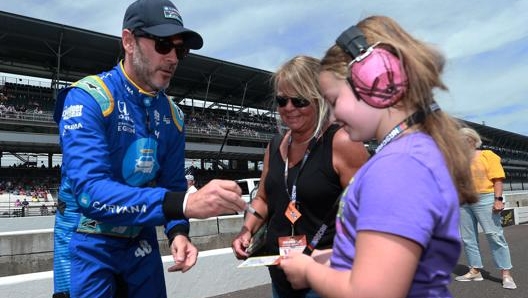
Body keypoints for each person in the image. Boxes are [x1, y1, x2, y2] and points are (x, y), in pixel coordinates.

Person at [52, 0, 246, 297]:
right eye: (163, 45)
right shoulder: (88, 98)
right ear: (129, 41)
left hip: (140, 241)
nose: (173, 58)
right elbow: (91, 192)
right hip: (84, 243)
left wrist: (178, 231)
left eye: (180, 50)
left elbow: (172, 184)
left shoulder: (174, 115)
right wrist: (183, 205)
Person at [279, 15, 478, 297]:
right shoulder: (409, 156)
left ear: (376, 80)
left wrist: (308, 271)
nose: (333, 115)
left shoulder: (399, 167)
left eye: (334, 101)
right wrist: (336, 257)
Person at [232, 55, 370, 298]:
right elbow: (263, 199)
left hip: (326, 276)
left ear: (320, 99)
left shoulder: (342, 142)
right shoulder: (274, 146)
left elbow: (370, 213)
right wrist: (247, 229)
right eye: (282, 100)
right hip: (279, 272)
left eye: (299, 100)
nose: (289, 108)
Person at [455, 127, 517, 289]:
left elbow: (497, 180)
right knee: (468, 238)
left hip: (485, 198)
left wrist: (498, 199)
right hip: (464, 200)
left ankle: (506, 274)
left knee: (495, 235)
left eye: (466, 139)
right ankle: (475, 270)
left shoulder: (487, 155)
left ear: (474, 140)